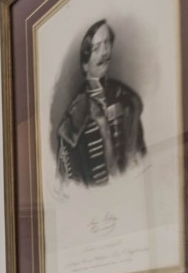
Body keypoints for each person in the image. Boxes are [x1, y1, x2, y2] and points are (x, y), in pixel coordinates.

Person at [55, 20, 146, 188]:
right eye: (96, 49)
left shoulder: (127, 100)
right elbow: (70, 182)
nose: (105, 53)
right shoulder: (75, 116)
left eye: (107, 44)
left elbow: (142, 161)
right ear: (84, 64)